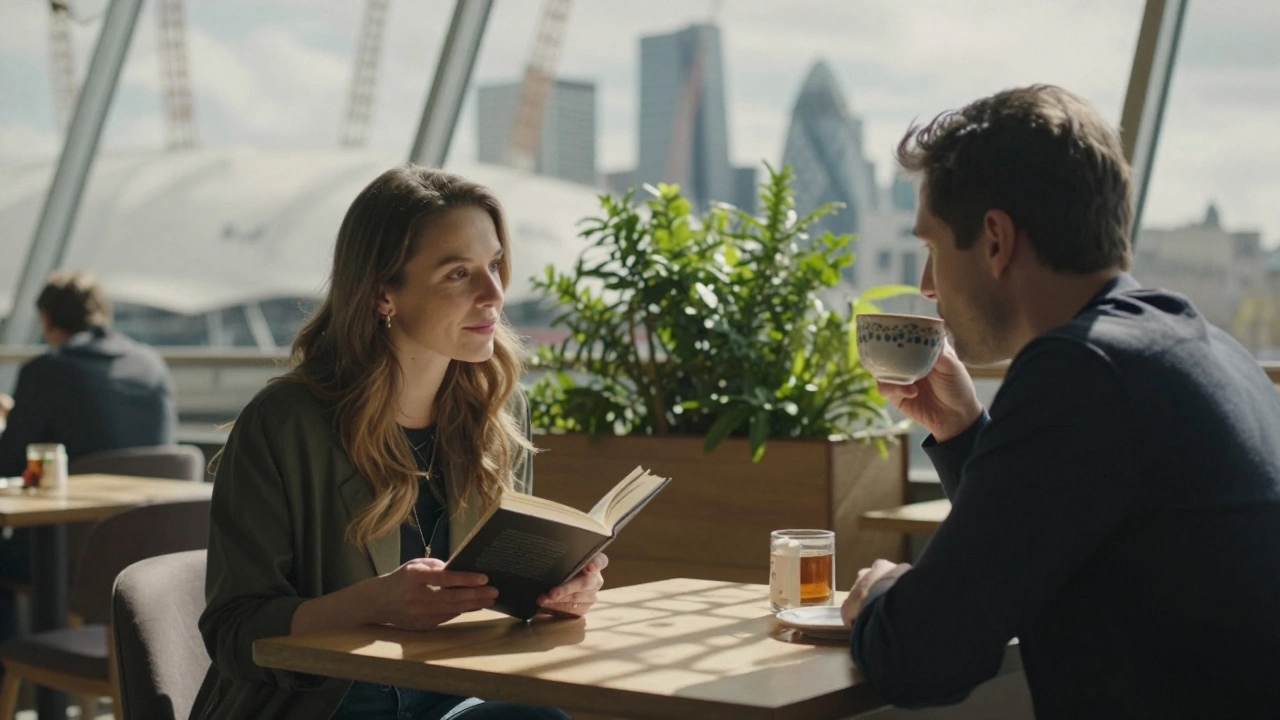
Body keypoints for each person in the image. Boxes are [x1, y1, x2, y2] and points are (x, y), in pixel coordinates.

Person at [840, 85, 1280, 719]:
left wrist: (881, 589)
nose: (927, 286)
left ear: (995, 239)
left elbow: (920, 658)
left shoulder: (1081, 370)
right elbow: (1045, 537)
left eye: (932, 248)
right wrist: (967, 435)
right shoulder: (1207, 350)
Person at [190, 166, 605, 720]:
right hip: (325, 705)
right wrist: (372, 605)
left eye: (495, 265)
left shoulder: (498, 414)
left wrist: (554, 595)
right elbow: (234, 632)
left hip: (456, 697)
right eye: (460, 273)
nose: (494, 295)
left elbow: (499, 606)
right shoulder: (285, 423)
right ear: (384, 292)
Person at [0, 270, 176, 642]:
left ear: (47, 320)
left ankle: (13, 677)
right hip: (153, 551)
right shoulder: (151, 366)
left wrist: (15, 420)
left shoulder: (46, 372)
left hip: (69, 558)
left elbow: (9, 462)